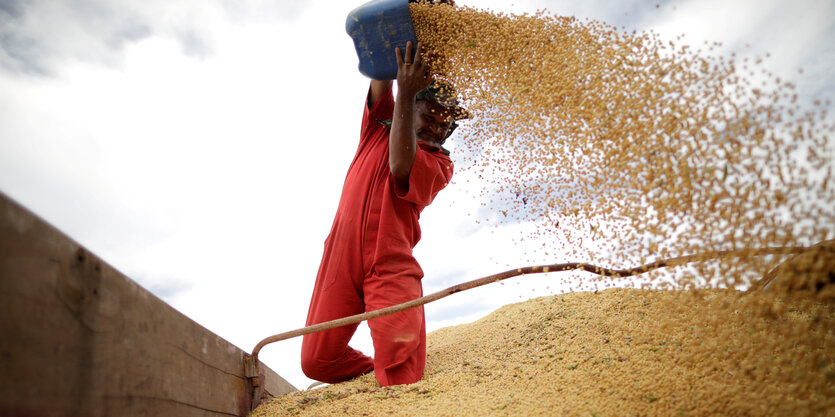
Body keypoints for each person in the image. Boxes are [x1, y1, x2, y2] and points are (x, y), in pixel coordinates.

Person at [300, 41, 470, 387]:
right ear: (412, 107)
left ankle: (393, 380)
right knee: (317, 361)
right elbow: (380, 74)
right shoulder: (378, 127)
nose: (438, 128)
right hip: (340, 257)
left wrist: (407, 94)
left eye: (446, 123)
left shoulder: (440, 163)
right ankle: (374, 372)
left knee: (401, 376)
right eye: (431, 116)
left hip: (390, 263)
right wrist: (403, 38)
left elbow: (400, 164)